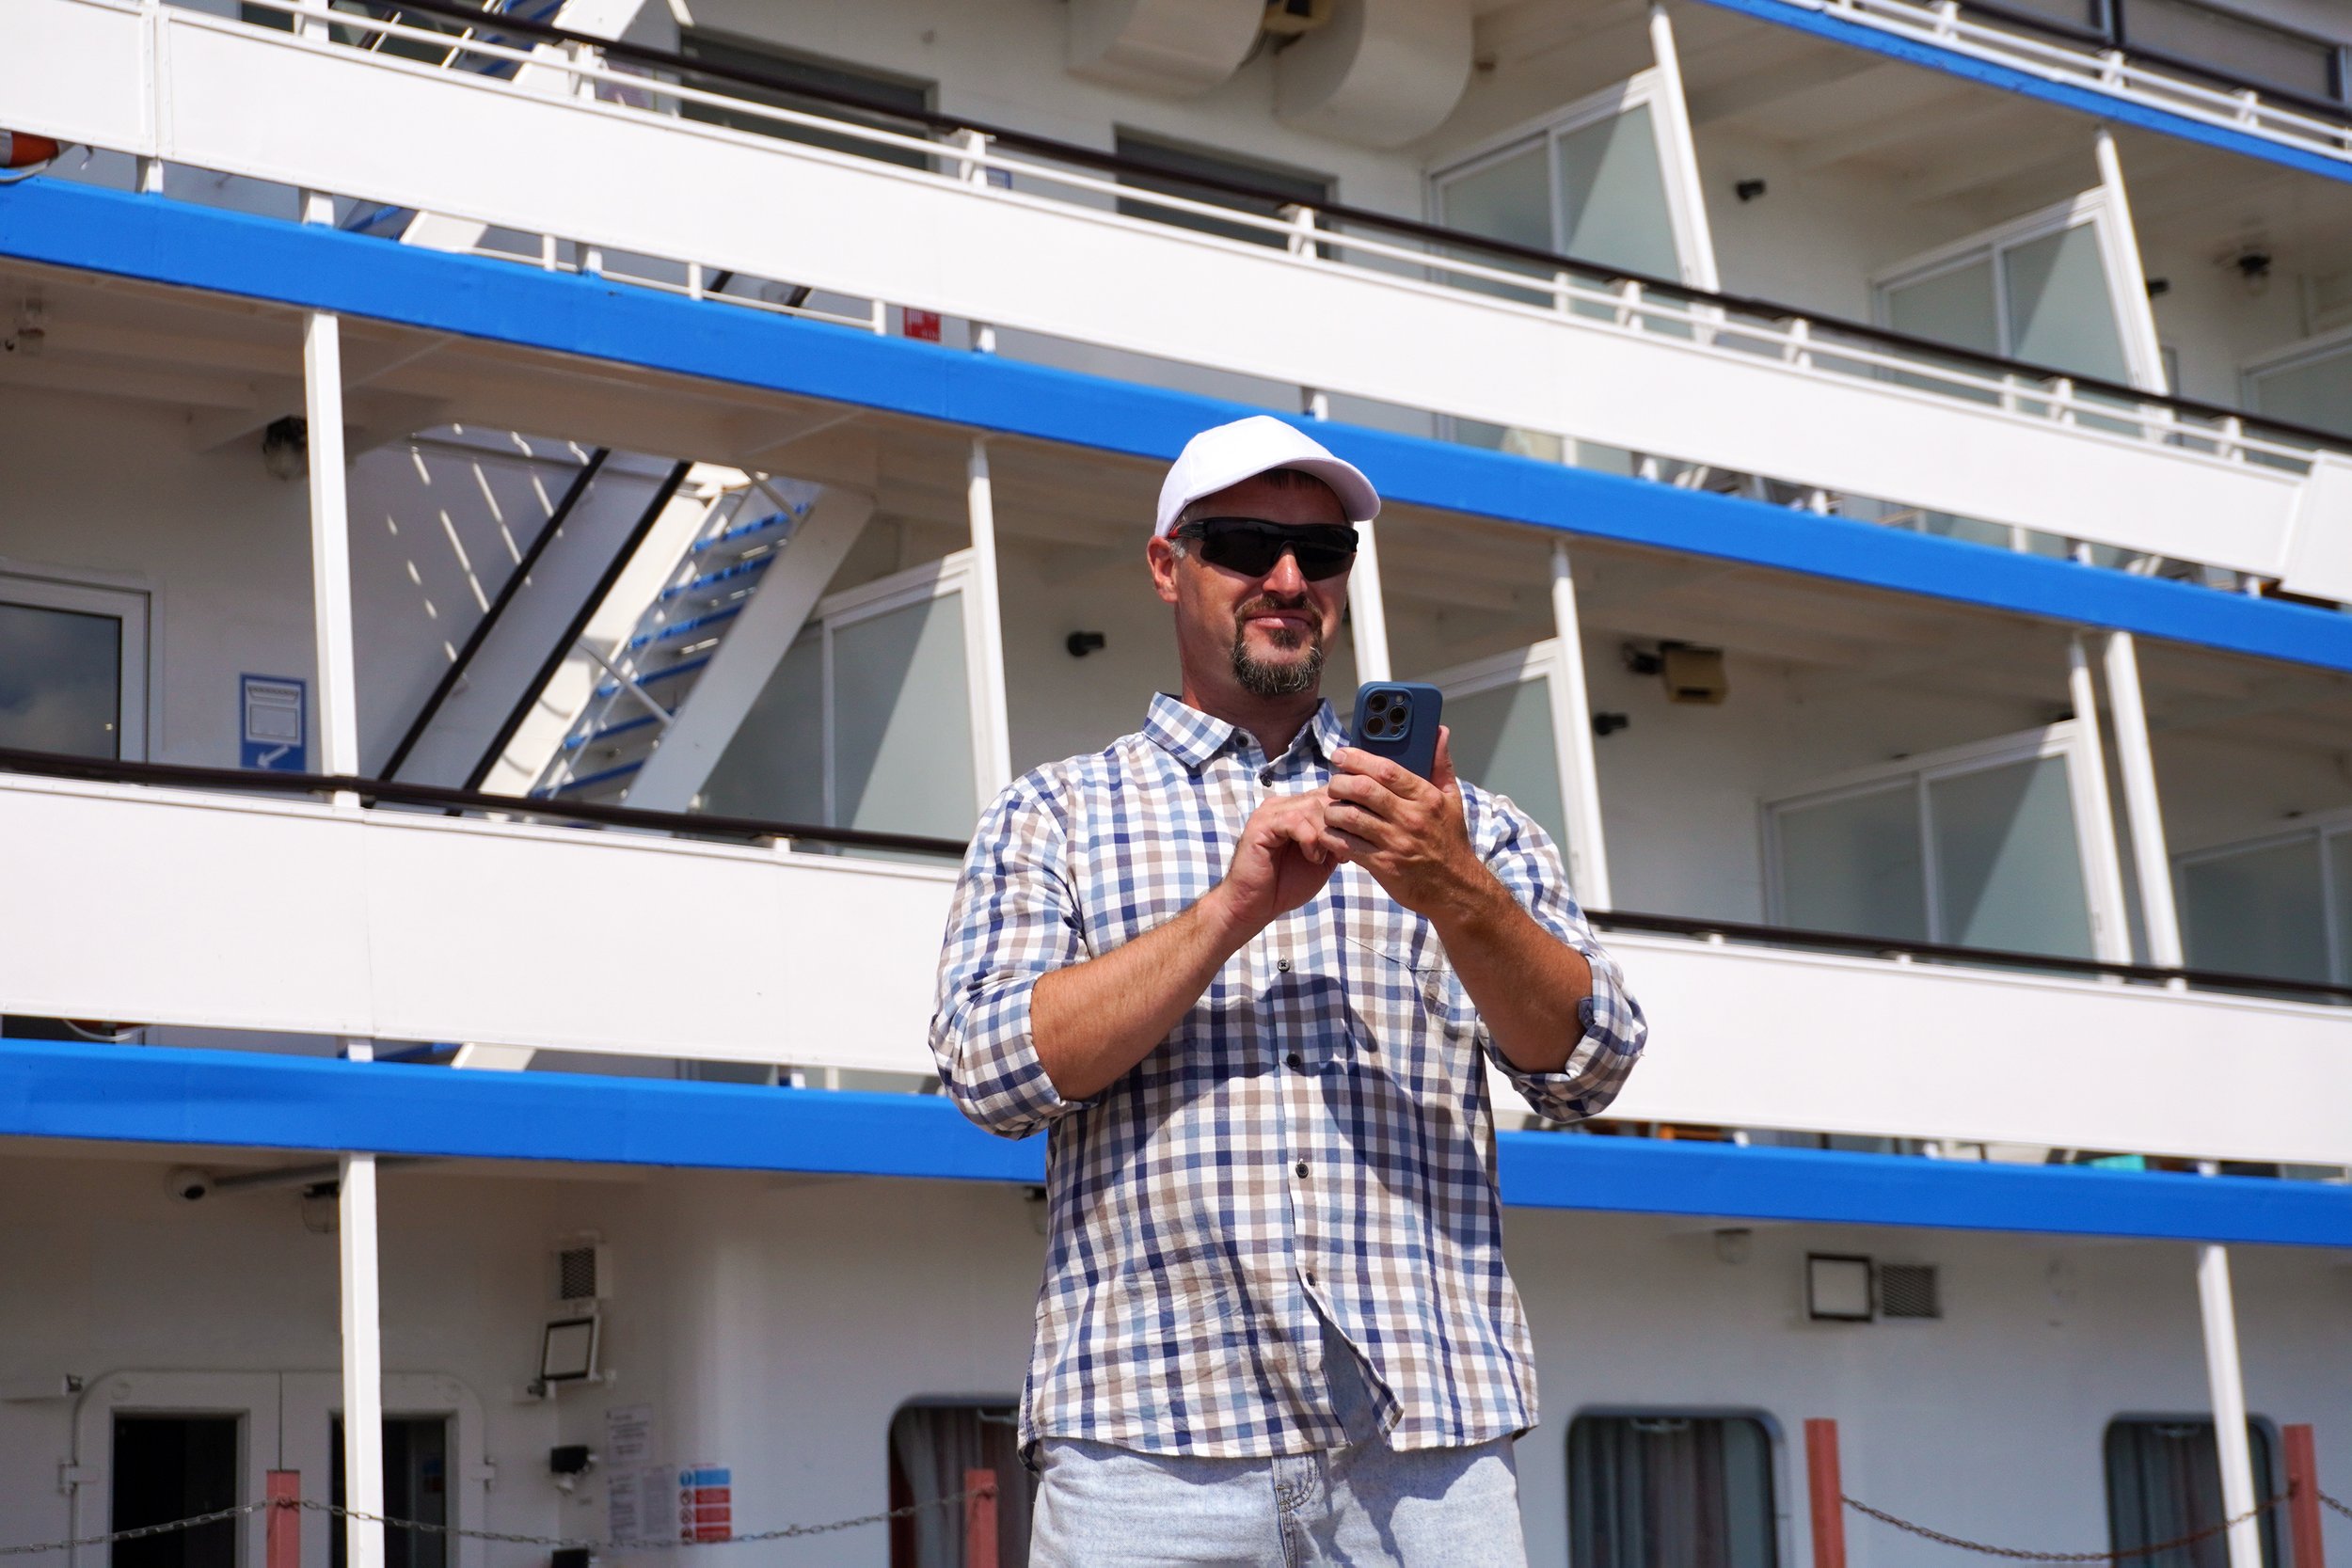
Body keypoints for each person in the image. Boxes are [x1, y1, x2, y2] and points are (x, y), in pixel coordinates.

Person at [930, 415, 1646, 1566]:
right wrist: (1229, 911)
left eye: (1320, 552)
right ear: (1166, 563)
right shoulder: (1052, 812)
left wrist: (1456, 890)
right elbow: (990, 1071)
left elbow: (1590, 1065)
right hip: (1146, 1449)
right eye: (1242, 544)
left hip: (1428, 1449)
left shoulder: (1462, 829)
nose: (1285, 578)